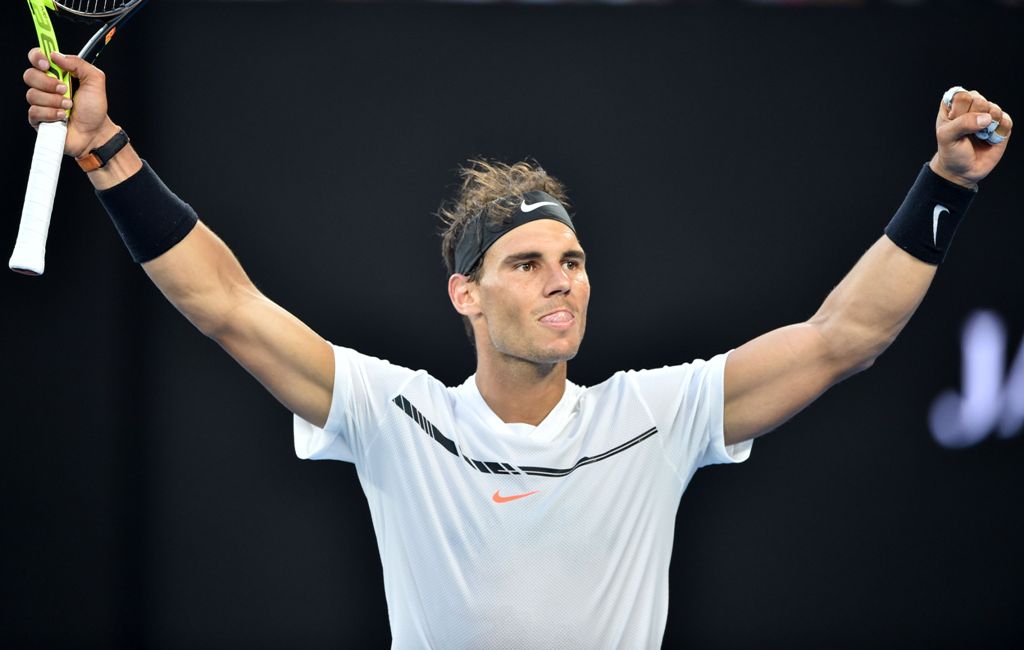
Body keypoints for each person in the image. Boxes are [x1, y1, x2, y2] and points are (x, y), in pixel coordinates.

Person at [22, 47, 1012, 647]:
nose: (562, 278)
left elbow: (845, 336)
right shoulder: (395, 414)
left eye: (573, 259)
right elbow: (226, 305)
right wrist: (107, 149)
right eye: (528, 260)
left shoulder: (653, 416)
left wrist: (946, 183)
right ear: (467, 293)